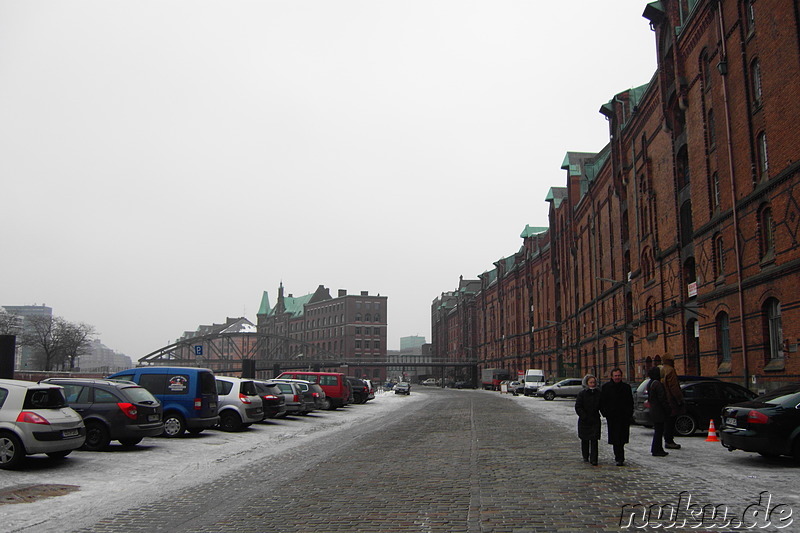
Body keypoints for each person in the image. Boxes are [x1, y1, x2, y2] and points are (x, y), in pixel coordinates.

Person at [600, 368, 633, 466]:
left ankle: (621, 457)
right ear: (612, 376)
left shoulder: (626, 387)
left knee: (622, 438)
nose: (617, 377)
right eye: (615, 376)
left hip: (624, 417)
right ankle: (618, 457)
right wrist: (605, 413)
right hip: (612, 417)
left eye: (619, 375)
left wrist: (629, 413)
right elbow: (602, 402)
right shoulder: (606, 387)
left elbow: (630, 402)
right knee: (615, 438)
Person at [575, 374, 602, 466]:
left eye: (594, 382)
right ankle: (585, 455)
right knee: (585, 439)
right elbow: (578, 406)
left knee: (594, 440)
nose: (592, 384)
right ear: (587, 383)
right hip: (584, 420)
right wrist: (583, 415)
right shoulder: (582, 394)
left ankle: (594, 458)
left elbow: (602, 405)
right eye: (590, 382)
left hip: (595, 419)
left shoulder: (598, 393)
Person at [660, 353, 684, 450]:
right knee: (671, 421)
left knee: (666, 422)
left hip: (663, 400)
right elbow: (674, 387)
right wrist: (679, 399)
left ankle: (667, 440)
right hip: (671, 400)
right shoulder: (670, 370)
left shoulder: (661, 369)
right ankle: (669, 441)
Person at [647, 366, 669, 457]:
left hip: (654, 409)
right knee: (659, 431)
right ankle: (657, 449)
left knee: (658, 430)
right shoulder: (657, 384)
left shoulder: (650, 383)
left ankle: (657, 449)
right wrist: (667, 408)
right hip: (659, 410)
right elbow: (662, 398)